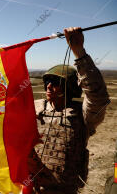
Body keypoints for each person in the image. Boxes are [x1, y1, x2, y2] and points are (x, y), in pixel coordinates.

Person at [28, 27, 110, 194]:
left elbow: (98, 96)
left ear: (70, 87)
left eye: (55, 81)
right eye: (47, 81)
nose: (49, 86)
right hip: (31, 188)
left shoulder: (84, 116)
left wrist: (79, 52)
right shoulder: (35, 107)